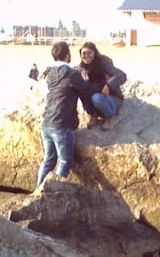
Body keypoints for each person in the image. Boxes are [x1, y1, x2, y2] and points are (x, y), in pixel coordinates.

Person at [38, 41, 93, 186]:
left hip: (47, 122)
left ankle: (38, 190)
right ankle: (49, 192)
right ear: (68, 55)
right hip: (61, 124)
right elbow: (85, 89)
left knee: (49, 160)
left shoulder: (50, 74)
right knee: (65, 161)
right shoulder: (71, 74)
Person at [77, 41, 127, 124]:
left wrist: (108, 85)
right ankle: (93, 115)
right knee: (82, 90)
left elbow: (121, 75)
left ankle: (112, 118)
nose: (86, 56)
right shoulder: (81, 68)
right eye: (84, 53)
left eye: (90, 53)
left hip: (111, 99)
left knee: (96, 97)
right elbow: (68, 72)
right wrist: (53, 70)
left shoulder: (104, 63)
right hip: (96, 101)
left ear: (95, 53)